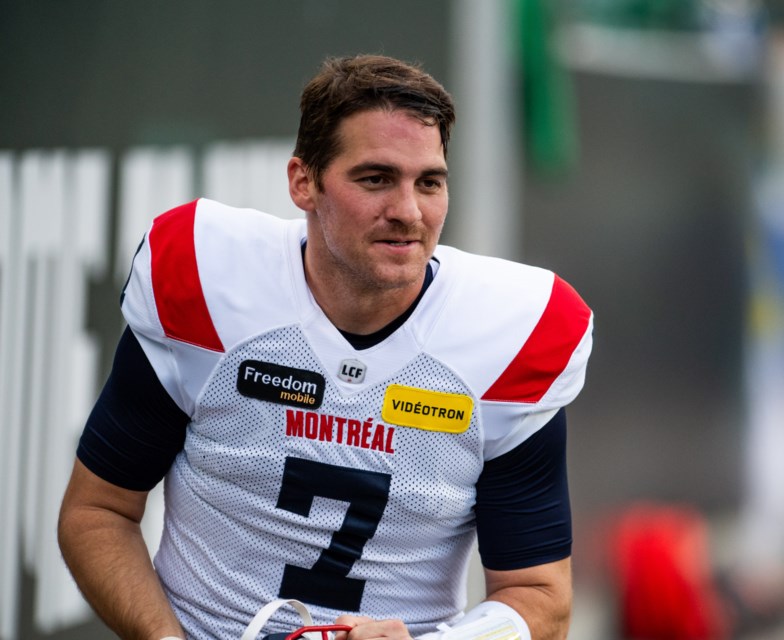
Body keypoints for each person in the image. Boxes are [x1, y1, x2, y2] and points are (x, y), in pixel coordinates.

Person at [57, 54, 594, 640]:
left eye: (430, 182)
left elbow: (541, 595)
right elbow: (97, 512)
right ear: (303, 182)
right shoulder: (211, 281)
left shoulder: (510, 331)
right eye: (376, 179)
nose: (409, 212)